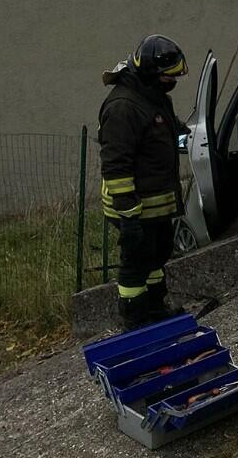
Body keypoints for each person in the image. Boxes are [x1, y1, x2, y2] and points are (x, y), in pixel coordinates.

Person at [98, 35, 188, 330]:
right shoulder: (123, 107)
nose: (172, 82)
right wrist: (128, 217)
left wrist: (182, 134)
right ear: (150, 71)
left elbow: (162, 129)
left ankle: (156, 309)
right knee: (136, 264)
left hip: (154, 207)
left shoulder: (152, 96)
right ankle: (135, 319)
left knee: (156, 255)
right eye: (168, 76)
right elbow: (116, 166)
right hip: (133, 209)